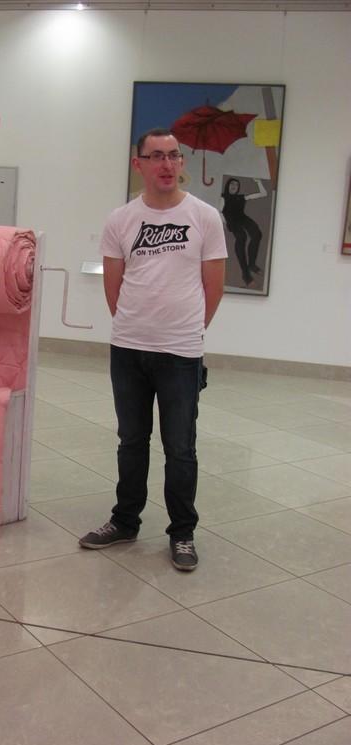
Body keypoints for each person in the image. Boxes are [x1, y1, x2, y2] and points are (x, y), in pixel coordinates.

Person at [79, 127, 227, 571]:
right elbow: (114, 287)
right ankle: (125, 521)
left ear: (182, 162)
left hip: (181, 353)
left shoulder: (205, 217)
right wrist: (135, 327)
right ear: (138, 164)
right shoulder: (120, 220)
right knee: (131, 440)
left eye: (174, 155)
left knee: (180, 447)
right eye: (157, 156)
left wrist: (186, 330)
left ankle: (182, 533)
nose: (167, 164)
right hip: (128, 350)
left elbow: (214, 287)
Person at [220, 177, 267, 287]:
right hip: (231, 220)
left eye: (236, 184)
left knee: (257, 234)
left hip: (242, 218)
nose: (234, 186)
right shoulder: (223, 197)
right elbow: (220, 211)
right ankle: (246, 274)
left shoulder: (242, 197)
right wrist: (224, 223)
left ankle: (252, 265)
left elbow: (263, 194)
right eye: (232, 183)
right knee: (242, 237)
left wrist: (258, 182)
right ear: (227, 185)